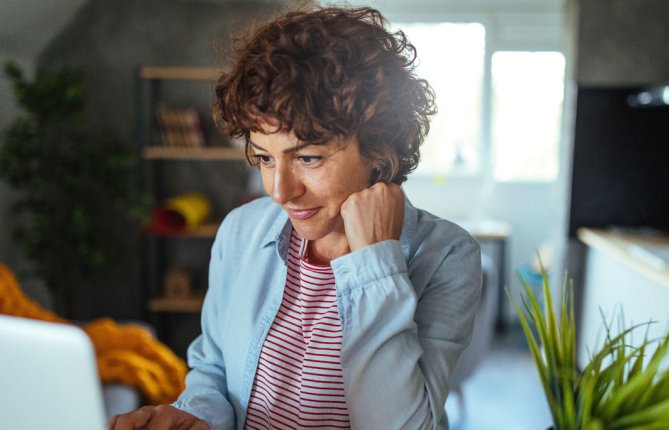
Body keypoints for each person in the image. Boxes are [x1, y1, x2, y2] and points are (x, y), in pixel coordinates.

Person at [109, 5, 482, 430]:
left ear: (379, 148)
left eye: (307, 157)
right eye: (266, 158)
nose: (280, 191)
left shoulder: (446, 256)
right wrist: (198, 419)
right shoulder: (240, 232)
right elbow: (212, 370)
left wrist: (376, 262)